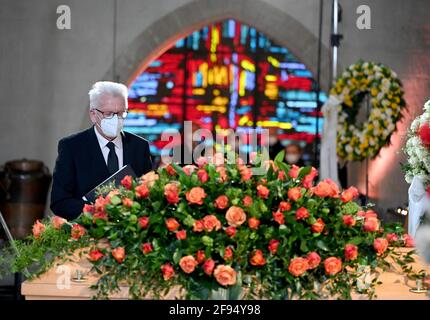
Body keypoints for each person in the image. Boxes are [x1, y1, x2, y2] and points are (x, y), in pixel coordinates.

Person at [50, 81, 152, 220]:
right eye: (109, 114)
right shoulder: (72, 147)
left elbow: (148, 194)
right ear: (93, 115)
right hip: (87, 235)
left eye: (122, 113)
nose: (116, 119)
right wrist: (96, 211)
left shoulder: (140, 147)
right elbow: (59, 202)